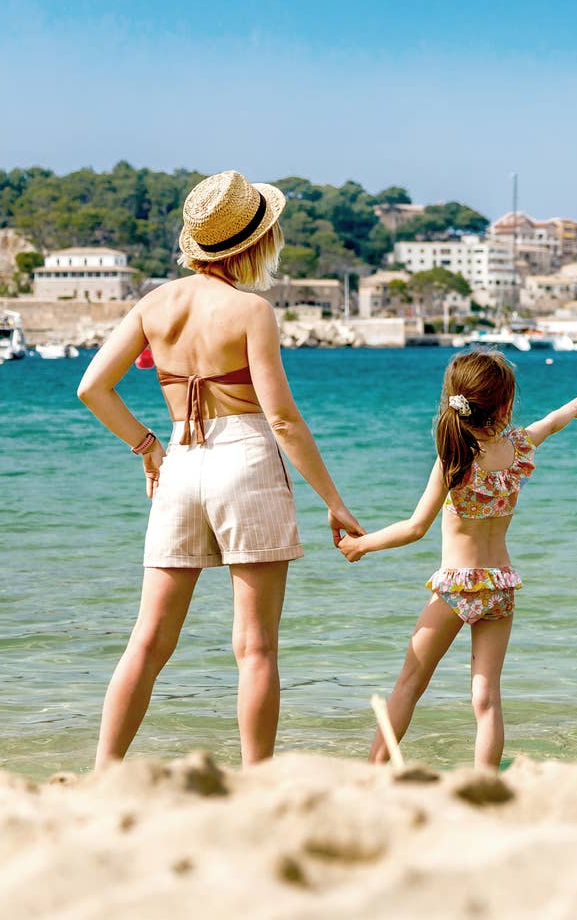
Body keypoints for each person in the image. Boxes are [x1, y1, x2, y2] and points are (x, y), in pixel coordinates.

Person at [77, 170, 363, 768]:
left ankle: (103, 773)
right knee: (255, 647)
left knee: (149, 640)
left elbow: (92, 388)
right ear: (252, 241)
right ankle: (256, 779)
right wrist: (333, 501)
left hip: (180, 462)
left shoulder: (154, 304)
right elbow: (282, 419)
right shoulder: (250, 310)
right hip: (247, 461)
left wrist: (147, 447)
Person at [337, 349, 577, 770]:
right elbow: (550, 424)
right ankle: (484, 781)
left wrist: (361, 545)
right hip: (500, 587)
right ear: (505, 406)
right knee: (486, 698)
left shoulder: (454, 461)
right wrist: (572, 407)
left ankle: (372, 772)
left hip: (457, 587)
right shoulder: (518, 449)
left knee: (409, 684)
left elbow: (415, 527)